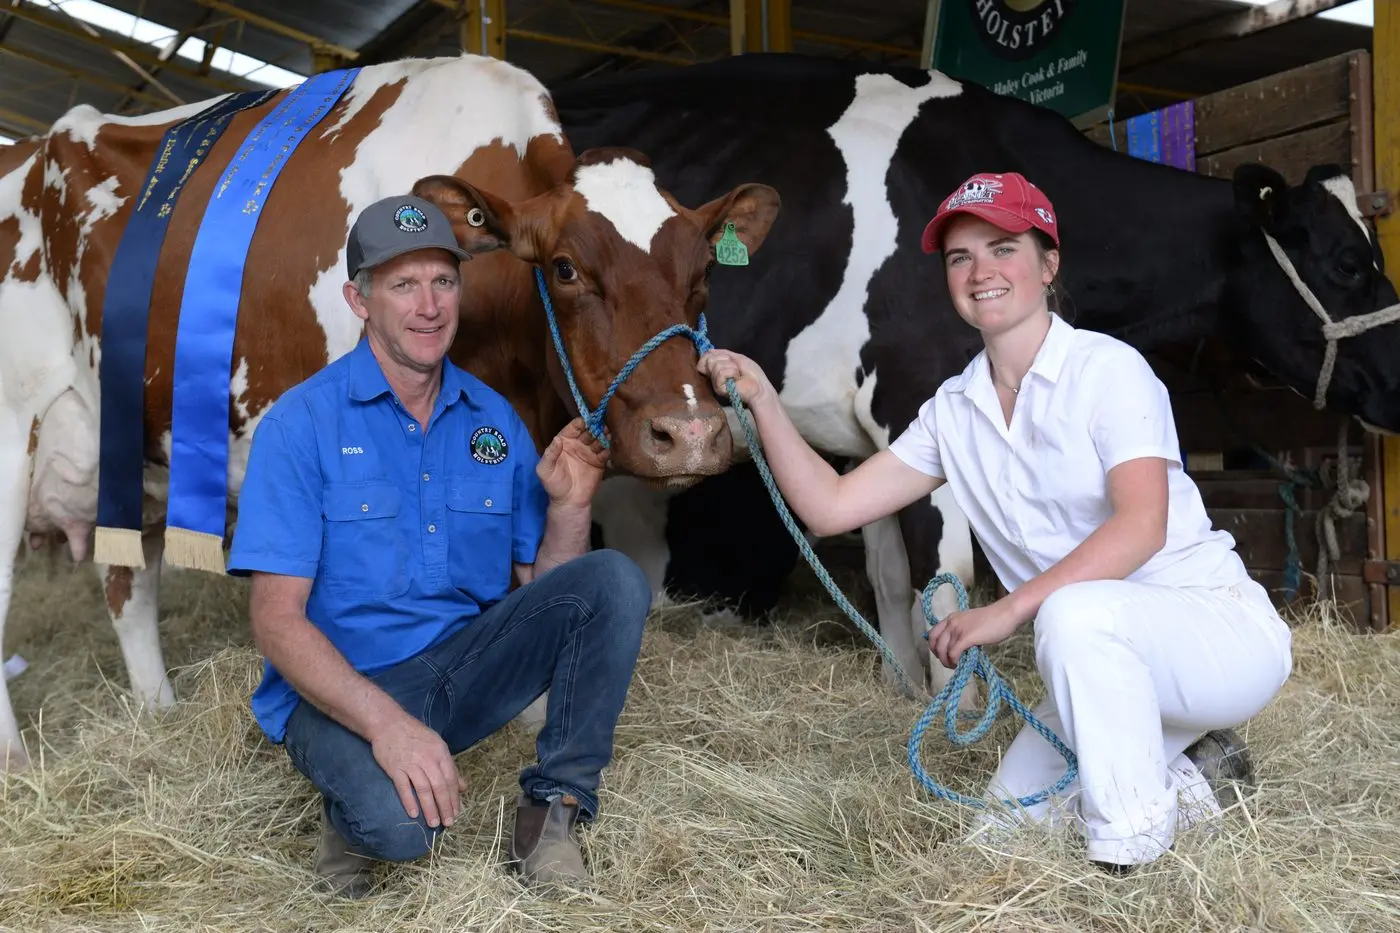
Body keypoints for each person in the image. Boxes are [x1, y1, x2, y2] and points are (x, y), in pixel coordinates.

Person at [695, 171, 1293, 871]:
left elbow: (1141, 529)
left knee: (1071, 617)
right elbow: (830, 507)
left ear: (1048, 264)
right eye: (959, 257)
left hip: (1214, 638)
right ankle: (1199, 779)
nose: (981, 271)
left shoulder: (1109, 372)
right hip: (1098, 666)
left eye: (1003, 248)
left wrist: (1004, 611)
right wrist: (765, 401)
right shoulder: (955, 409)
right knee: (1001, 838)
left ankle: (1129, 866)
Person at [227, 194, 652, 897]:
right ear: (358, 300)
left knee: (610, 580)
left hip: (462, 668)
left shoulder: (494, 421)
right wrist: (389, 726)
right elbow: (275, 620)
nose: (429, 305)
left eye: (444, 281)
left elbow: (546, 590)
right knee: (403, 830)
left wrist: (572, 507)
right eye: (403, 284)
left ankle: (550, 815)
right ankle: (355, 803)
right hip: (343, 692)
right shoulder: (301, 424)